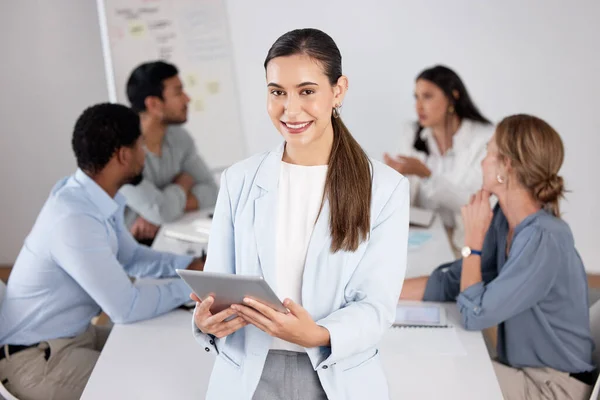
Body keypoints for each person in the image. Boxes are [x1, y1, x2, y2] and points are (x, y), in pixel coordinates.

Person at [190, 28, 409, 399]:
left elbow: (376, 305)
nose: (290, 109)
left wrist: (318, 335)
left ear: (338, 91)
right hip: (249, 375)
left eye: (307, 91)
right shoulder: (239, 179)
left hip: (333, 373)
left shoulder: (385, 188)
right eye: (277, 92)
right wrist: (206, 321)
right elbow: (217, 286)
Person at [0, 103, 204, 400]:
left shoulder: (89, 197)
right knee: (151, 383)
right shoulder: (74, 217)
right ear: (123, 155)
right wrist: (191, 286)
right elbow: (126, 308)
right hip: (35, 361)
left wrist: (191, 265)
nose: (144, 154)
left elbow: (131, 257)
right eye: (139, 146)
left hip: (71, 338)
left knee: (162, 350)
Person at [400, 114, 596, 400]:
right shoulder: (506, 220)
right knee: (426, 362)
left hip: (553, 387)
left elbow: (474, 314)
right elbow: (455, 281)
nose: (482, 162)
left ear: (507, 166)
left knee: (432, 377)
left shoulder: (544, 239)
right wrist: (379, 293)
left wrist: (472, 242)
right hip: (522, 372)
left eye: (488, 153)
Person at [384, 65, 494, 247]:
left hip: (467, 243)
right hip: (421, 237)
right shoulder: (411, 133)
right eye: (416, 97)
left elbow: (473, 203)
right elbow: (401, 203)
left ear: (453, 97)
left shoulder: (484, 138)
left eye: (427, 97)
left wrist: (427, 176)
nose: (418, 106)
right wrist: (392, 178)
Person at [121, 61, 218, 243]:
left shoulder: (179, 137)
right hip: (129, 256)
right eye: (178, 92)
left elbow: (213, 192)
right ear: (154, 104)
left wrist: (159, 215)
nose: (187, 99)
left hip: (170, 243)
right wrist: (183, 184)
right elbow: (161, 211)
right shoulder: (122, 151)